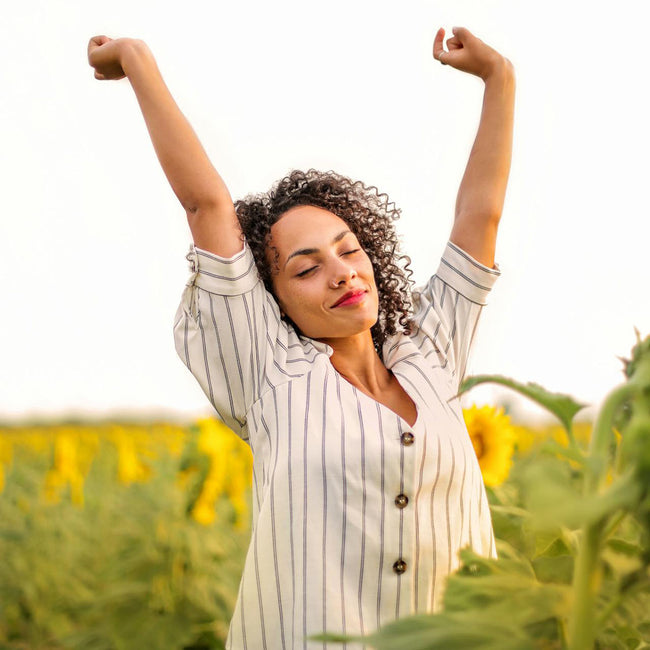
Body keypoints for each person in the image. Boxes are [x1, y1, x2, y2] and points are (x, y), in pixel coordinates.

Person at [88, 25, 515, 650]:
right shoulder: (269, 374)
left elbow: (480, 216)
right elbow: (207, 205)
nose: (341, 271)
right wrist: (136, 59)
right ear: (273, 297)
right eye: (307, 267)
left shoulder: (432, 353)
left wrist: (498, 78)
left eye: (349, 251)